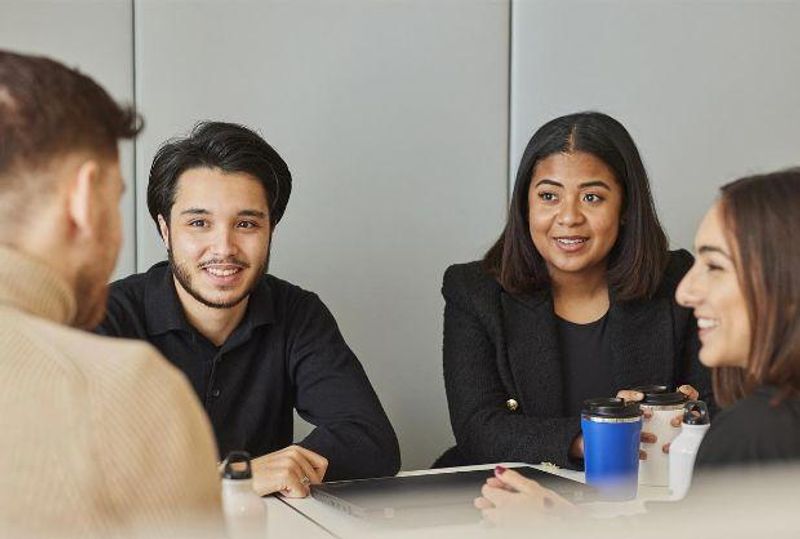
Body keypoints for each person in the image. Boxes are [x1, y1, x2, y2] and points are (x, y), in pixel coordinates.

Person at [95, 121, 401, 497]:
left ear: (271, 230)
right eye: (199, 223)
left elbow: (371, 441)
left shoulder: (297, 312)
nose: (224, 248)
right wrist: (233, 479)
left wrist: (283, 469)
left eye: (246, 224)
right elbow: (72, 469)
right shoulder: (105, 317)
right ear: (165, 230)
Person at [475, 168, 800, 522]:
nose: (685, 292)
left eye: (715, 266)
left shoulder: (759, 432)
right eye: (549, 196)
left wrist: (556, 523)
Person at [0, 50, 222, 537]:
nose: (223, 247)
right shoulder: (125, 394)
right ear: (83, 199)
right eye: (115, 198)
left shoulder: (298, 308)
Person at [436, 111, 711, 469]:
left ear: (626, 206)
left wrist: (692, 417)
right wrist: (596, 439)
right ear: (525, 205)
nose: (568, 217)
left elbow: (720, 406)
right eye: (549, 196)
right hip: (509, 491)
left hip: (644, 492)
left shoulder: (678, 282)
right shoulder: (474, 291)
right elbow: (478, 429)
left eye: (592, 198)